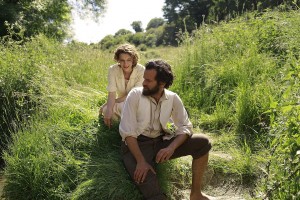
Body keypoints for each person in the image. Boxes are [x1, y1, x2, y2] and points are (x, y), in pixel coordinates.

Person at [119, 59, 212, 200]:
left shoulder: (173, 98)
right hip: (136, 147)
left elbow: (185, 127)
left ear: (161, 84)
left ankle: (196, 194)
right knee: (155, 195)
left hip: (160, 142)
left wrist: (171, 148)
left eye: (148, 80)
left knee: (202, 142)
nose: (143, 83)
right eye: (144, 78)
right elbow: (128, 132)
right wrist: (141, 161)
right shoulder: (135, 95)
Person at [99, 43, 145, 128]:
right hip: (122, 102)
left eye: (128, 60)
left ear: (133, 60)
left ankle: (131, 125)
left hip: (137, 101)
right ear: (118, 60)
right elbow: (112, 92)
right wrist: (108, 109)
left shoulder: (141, 70)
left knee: (124, 108)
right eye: (122, 60)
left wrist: (110, 103)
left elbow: (134, 94)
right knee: (107, 110)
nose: (125, 64)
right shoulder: (113, 69)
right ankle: (121, 125)